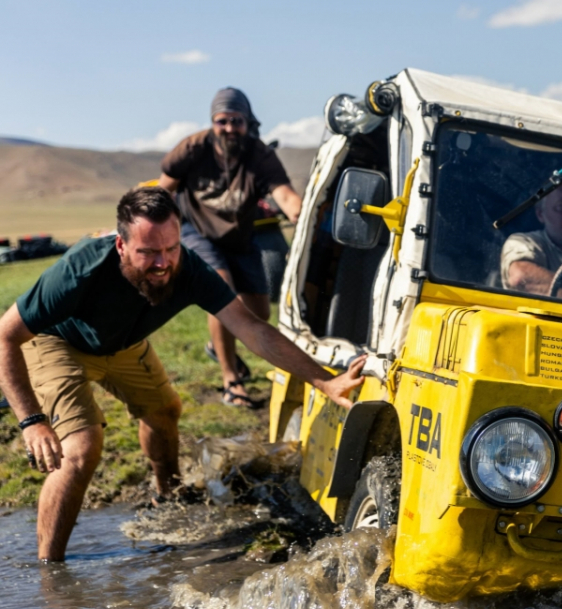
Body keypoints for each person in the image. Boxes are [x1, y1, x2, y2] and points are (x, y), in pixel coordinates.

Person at [0, 187, 364, 561]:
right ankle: (50, 571)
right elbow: (5, 336)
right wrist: (32, 421)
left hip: (124, 344)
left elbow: (251, 329)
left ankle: (167, 495)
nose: (163, 263)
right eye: (148, 252)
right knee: (81, 448)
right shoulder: (81, 270)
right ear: (121, 246)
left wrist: (324, 379)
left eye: (171, 248)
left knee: (165, 412)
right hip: (58, 340)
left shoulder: (189, 269)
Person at [157, 88, 304, 407]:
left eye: (236, 121)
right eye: (221, 121)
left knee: (259, 312)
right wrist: (161, 231)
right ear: (212, 122)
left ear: (247, 122)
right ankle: (231, 381)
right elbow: (163, 189)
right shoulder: (193, 148)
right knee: (222, 294)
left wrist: (301, 216)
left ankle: (217, 343)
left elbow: (284, 194)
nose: (228, 128)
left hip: (240, 237)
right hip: (197, 231)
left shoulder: (259, 155)